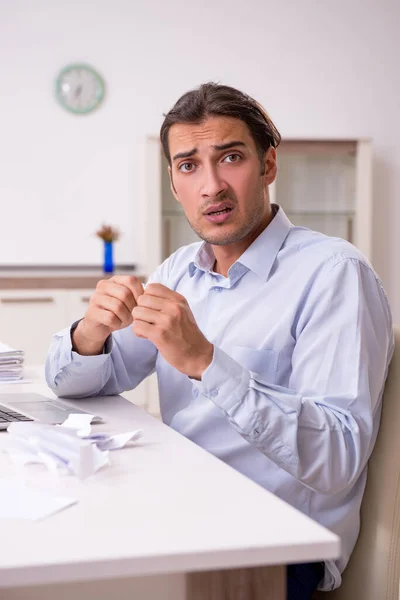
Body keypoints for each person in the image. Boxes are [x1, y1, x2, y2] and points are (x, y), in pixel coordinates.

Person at [45, 83, 393, 600]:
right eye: (189, 165)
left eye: (230, 157)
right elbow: (74, 384)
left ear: (269, 165)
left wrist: (206, 362)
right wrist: (90, 333)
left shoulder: (333, 272)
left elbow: (339, 456)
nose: (211, 185)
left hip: (273, 551)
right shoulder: (178, 271)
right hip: (180, 513)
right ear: (173, 182)